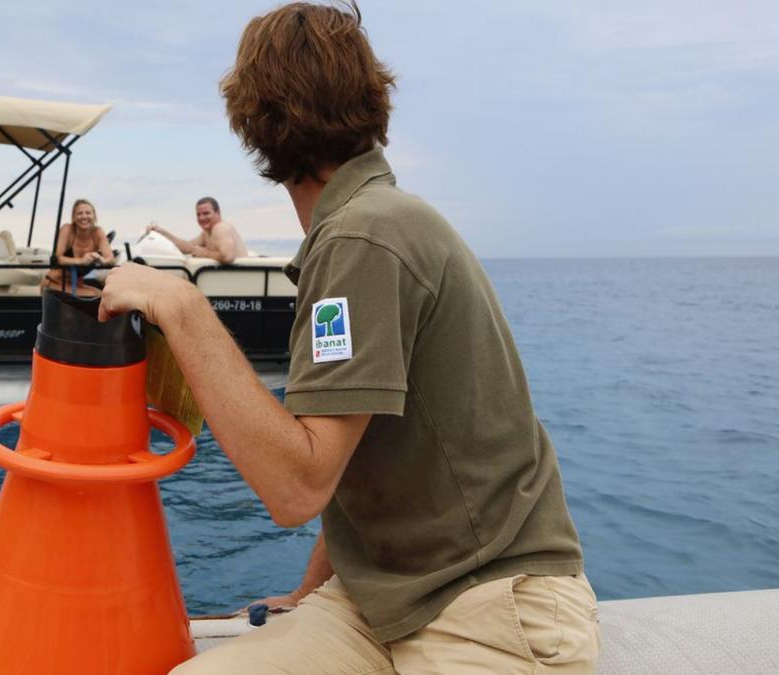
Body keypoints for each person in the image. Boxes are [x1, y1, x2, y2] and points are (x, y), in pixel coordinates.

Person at [99, 2, 599, 673]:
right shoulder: (369, 226)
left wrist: (180, 304)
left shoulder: (364, 237)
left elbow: (298, 486)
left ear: (256, 125)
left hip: (494, 608)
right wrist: (309, 596)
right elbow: (351, 462)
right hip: (378, 601)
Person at [43, 198, 115, 297]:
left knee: (103, 295)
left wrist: (100, 260)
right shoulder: (67, 229)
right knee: (98, 297)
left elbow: (110, 259)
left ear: (94, 215)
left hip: (77, 284)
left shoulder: (98, 232)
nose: (84, 216)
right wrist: (82, 261)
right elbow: (58, 258)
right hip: (55, 283)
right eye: (80, 213)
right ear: (74, 217)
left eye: (88, 213)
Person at [145, 197, 249, 264]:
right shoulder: (207, 232)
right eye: (198, 214)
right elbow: (188, 247)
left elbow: (227, 257)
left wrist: (203, 253)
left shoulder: (221, 228)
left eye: (206, 213)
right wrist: (162, 232)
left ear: (218, 212)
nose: (202, 218)